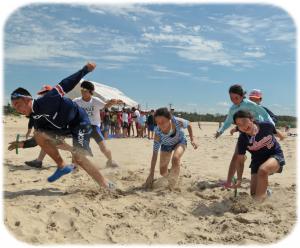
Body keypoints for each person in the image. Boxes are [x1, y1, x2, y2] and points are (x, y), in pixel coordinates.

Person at [9, 62, 114, 189]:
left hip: (79, 122)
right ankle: (62, 165)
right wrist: (23, 144)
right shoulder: (35, 118)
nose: (18, 109)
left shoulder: (47, 99)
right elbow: (38, 140)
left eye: (18, 104)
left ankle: (105, 184)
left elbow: (66, 83)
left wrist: (85, 70)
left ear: (27, 100)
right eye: (14, 107)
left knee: (79, 158)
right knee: (39, 135)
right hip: (63, 128)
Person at [215, 84, 276, 188]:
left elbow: (264, 114)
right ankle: (229, 182)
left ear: (242, 95)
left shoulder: (250, 104)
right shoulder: (233, 109)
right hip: (244, 135)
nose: (234, 100)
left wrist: (272, 127)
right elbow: (228, 121)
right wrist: (220, 131)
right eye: (231, 98)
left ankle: (263, 181)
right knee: (236, 157)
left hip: (258, 133)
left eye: (236, 98)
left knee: (262, 159)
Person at [228, 110, 285, 202]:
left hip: (274, 155)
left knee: (263, 170)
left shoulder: (266, 125)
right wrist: (239, 179)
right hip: (257, 161)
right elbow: (240, 161)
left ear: (252, 119)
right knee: (254, 194)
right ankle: (267, 193)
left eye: (244, 121)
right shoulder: (242, 139)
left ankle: (258, 206)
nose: (243, 126)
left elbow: (275, 132)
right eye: (239, 124)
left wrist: (282, 136)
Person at [144, 107, 198, 189]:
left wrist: (192, 139)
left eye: (163, 122)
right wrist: (151, 174)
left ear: (169, 119)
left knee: (175, 158)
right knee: (162, 171)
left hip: (180, 141)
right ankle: (171, 174)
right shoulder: (158, 133)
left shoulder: (176, 121)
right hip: (166, 145)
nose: (160, 125)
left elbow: (189, 124)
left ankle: (173, 184)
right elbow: (154, 155)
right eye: (158, 123)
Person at [73, 80, 121, 168]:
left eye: (85, 90)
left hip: (94, 126)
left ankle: (110, 161)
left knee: (103, 147)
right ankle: (75, 164)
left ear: (90, 92)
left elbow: (105, 105)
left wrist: (111, 102)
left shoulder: (95, 101)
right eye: (82, 90)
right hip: (82, 126)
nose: (83, 92)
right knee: (78, 146)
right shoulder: (76, 101)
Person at [24, 85, 53, 168]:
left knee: (58, 144)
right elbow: (35, 117)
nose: (43, 95)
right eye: (42, 93)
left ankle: (77, 153)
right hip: (49, 129)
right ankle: (39, 161)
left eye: (45, 93)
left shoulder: (58, 102)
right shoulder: (40, 103)